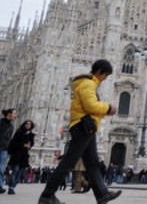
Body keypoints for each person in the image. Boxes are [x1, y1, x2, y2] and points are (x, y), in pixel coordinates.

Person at [38, 59, 122, 204]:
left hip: (87, 127)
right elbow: (90, 105)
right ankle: (47, 195)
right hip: (83, 126)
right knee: (68, 162)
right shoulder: (88, 84)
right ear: (99, 72)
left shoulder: (88, 84)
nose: (105, 79)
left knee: (93, 163)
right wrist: (108, 108)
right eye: (105, 75)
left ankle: (102, 194)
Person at [7, 119, 36, 194]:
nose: (28, 125)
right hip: (17, 154)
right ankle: (11, 187)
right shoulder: (19, 132)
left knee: (19, 173)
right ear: (24, 124)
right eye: (27, 124)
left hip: (24, 155)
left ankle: (13, 186)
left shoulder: (31, 134)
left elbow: (32, 143)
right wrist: (22, 145)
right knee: (15, 170)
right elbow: (13, 142)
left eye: (29, 124)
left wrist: (30, 145)